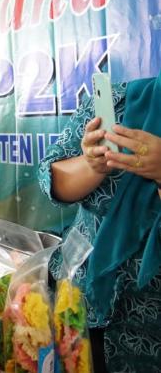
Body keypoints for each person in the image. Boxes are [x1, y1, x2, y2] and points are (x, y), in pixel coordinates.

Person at [37, 72, 161, 372]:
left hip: (150, 326)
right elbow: (50, 179)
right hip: (82, 300)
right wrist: (93, 165)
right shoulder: (117, 99)